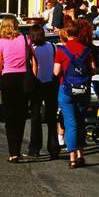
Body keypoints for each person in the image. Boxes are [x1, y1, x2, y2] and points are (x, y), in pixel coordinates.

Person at [54, 22, 95, 168]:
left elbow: (56, 72)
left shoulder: (61, 50)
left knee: (70, 124)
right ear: (78, 33)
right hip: (83, 90)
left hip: (66, 89)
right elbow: (93, 70)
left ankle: (72, 157)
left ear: (67, 34)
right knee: (81, 122)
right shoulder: (86, 50)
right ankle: (81, 154)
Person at [0, 15, 33, 163]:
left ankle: (13, 152)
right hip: (23, 78)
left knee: (10, 117)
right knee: (21, 116)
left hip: (8, 78)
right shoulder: (25, 39)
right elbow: (29, 57)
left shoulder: (1, 42)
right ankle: (18, 148)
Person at [27, 25, 60, 160]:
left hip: (36, 84)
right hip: (51, 83)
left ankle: (35, 147)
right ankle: (53, 147)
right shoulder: (52, 47)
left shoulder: (32, 49)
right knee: (51, 117)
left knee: (35, 117)